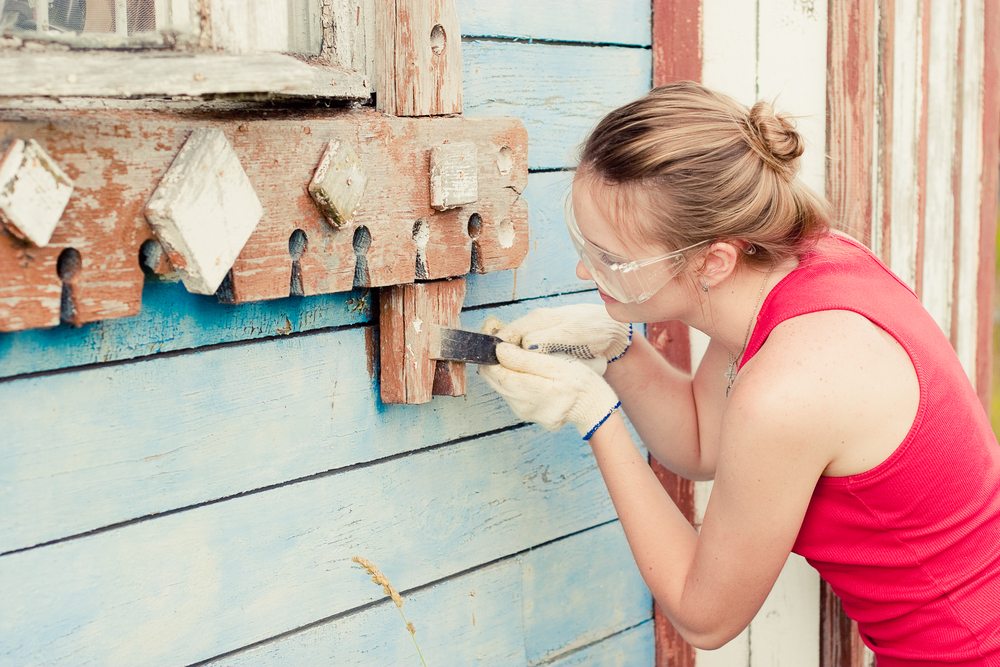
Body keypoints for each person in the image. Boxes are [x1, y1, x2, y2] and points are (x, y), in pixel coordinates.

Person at [479, 81, 1000, 665]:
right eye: (584, 242)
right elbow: (704, 441)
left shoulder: (788, 387)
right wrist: (619, 350)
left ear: (713, 261)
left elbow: (706, 618)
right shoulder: (793, 266)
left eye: (611, 259)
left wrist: (594, 417)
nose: (582, 268)